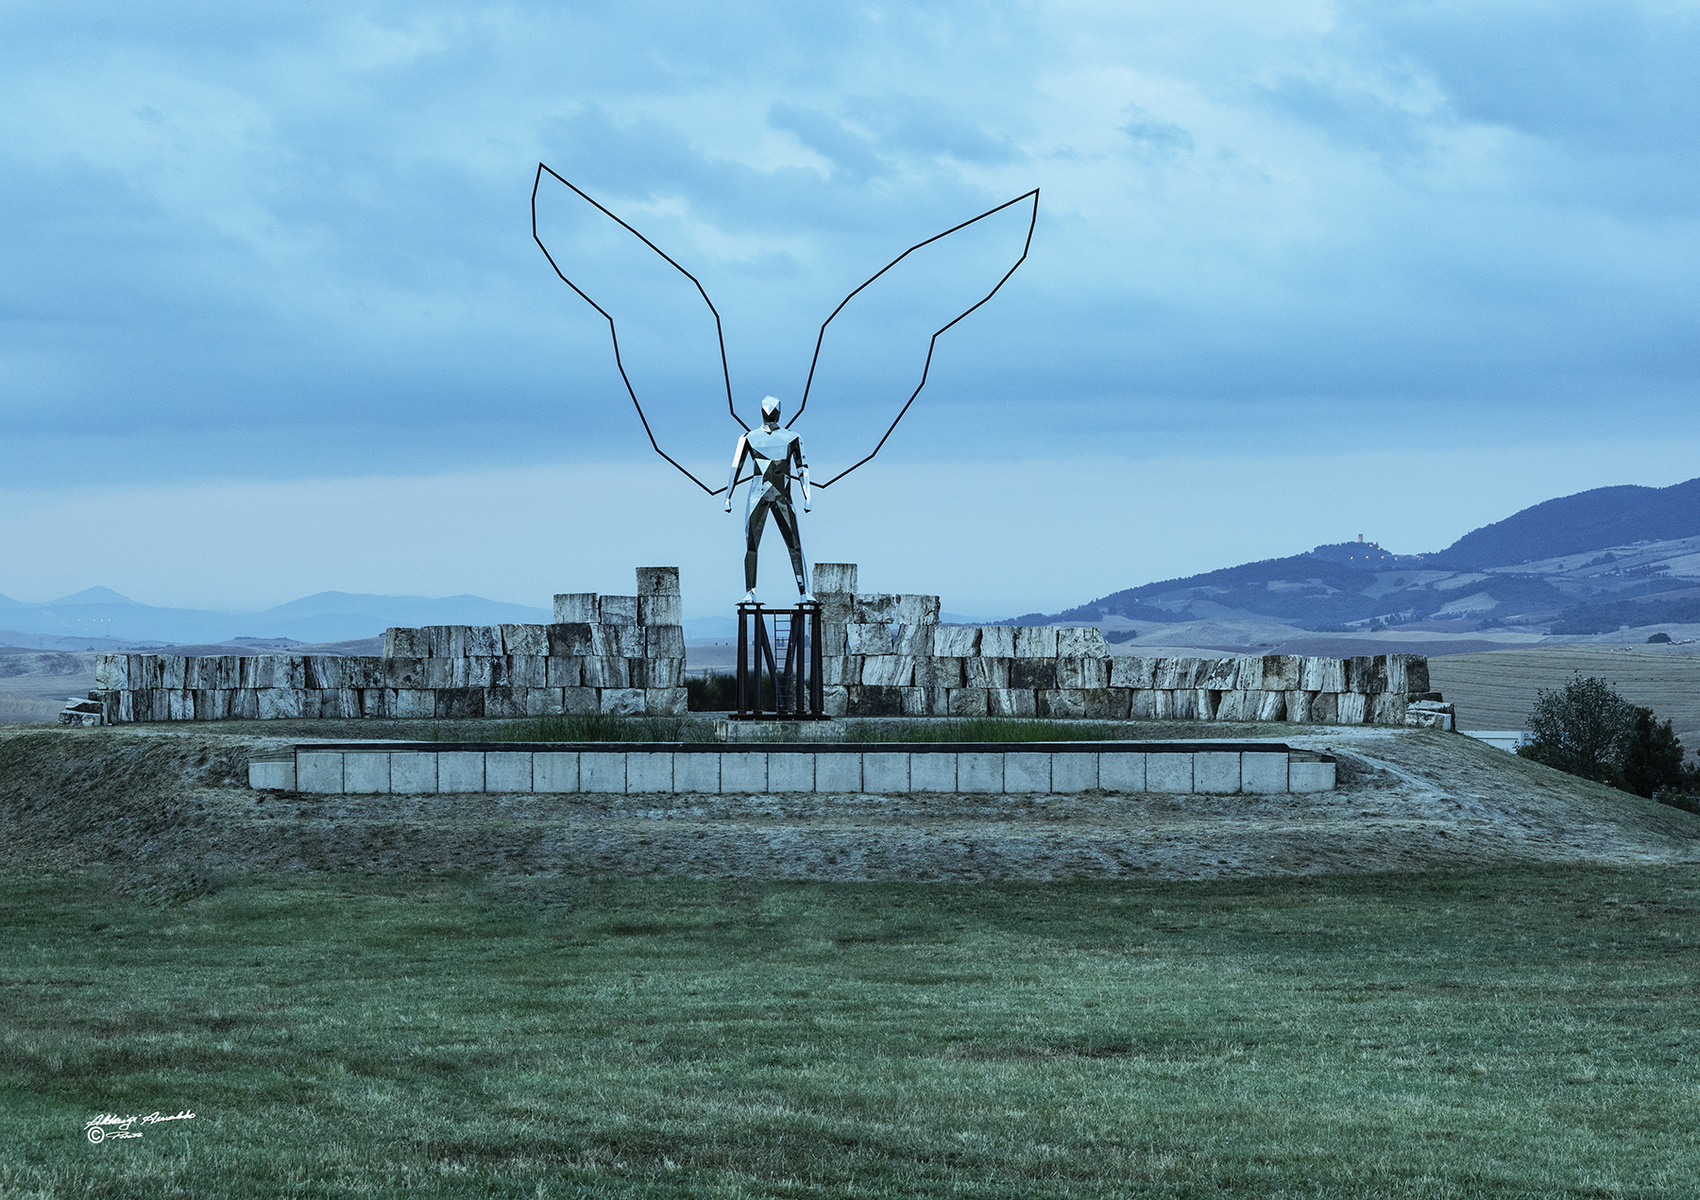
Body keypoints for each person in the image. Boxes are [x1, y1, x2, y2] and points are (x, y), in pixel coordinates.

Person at [725, 395, 812, 602]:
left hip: (782, 494)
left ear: (778, 412)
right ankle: (750, 591)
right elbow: (735, 467)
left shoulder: (792, 437)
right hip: (759, 494)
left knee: (794, 544)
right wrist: (727, 496)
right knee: (752, 544)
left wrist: (807, 496)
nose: (770, 412)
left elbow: (802, 467)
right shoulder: (748, 437)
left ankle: (804, 591)